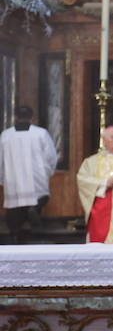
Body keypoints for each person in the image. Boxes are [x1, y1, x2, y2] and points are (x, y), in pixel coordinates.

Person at [0, 105, 58, 245]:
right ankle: (32, 216)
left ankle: (16, 236)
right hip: (35, 182)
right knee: (37, 204)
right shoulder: (40, 133)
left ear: (16, 117)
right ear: (32, 117)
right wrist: (47, 172)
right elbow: (51, 157)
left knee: (15, 217)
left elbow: (0, 159)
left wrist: (2, 179)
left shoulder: (6, 135)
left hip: (13, 184)